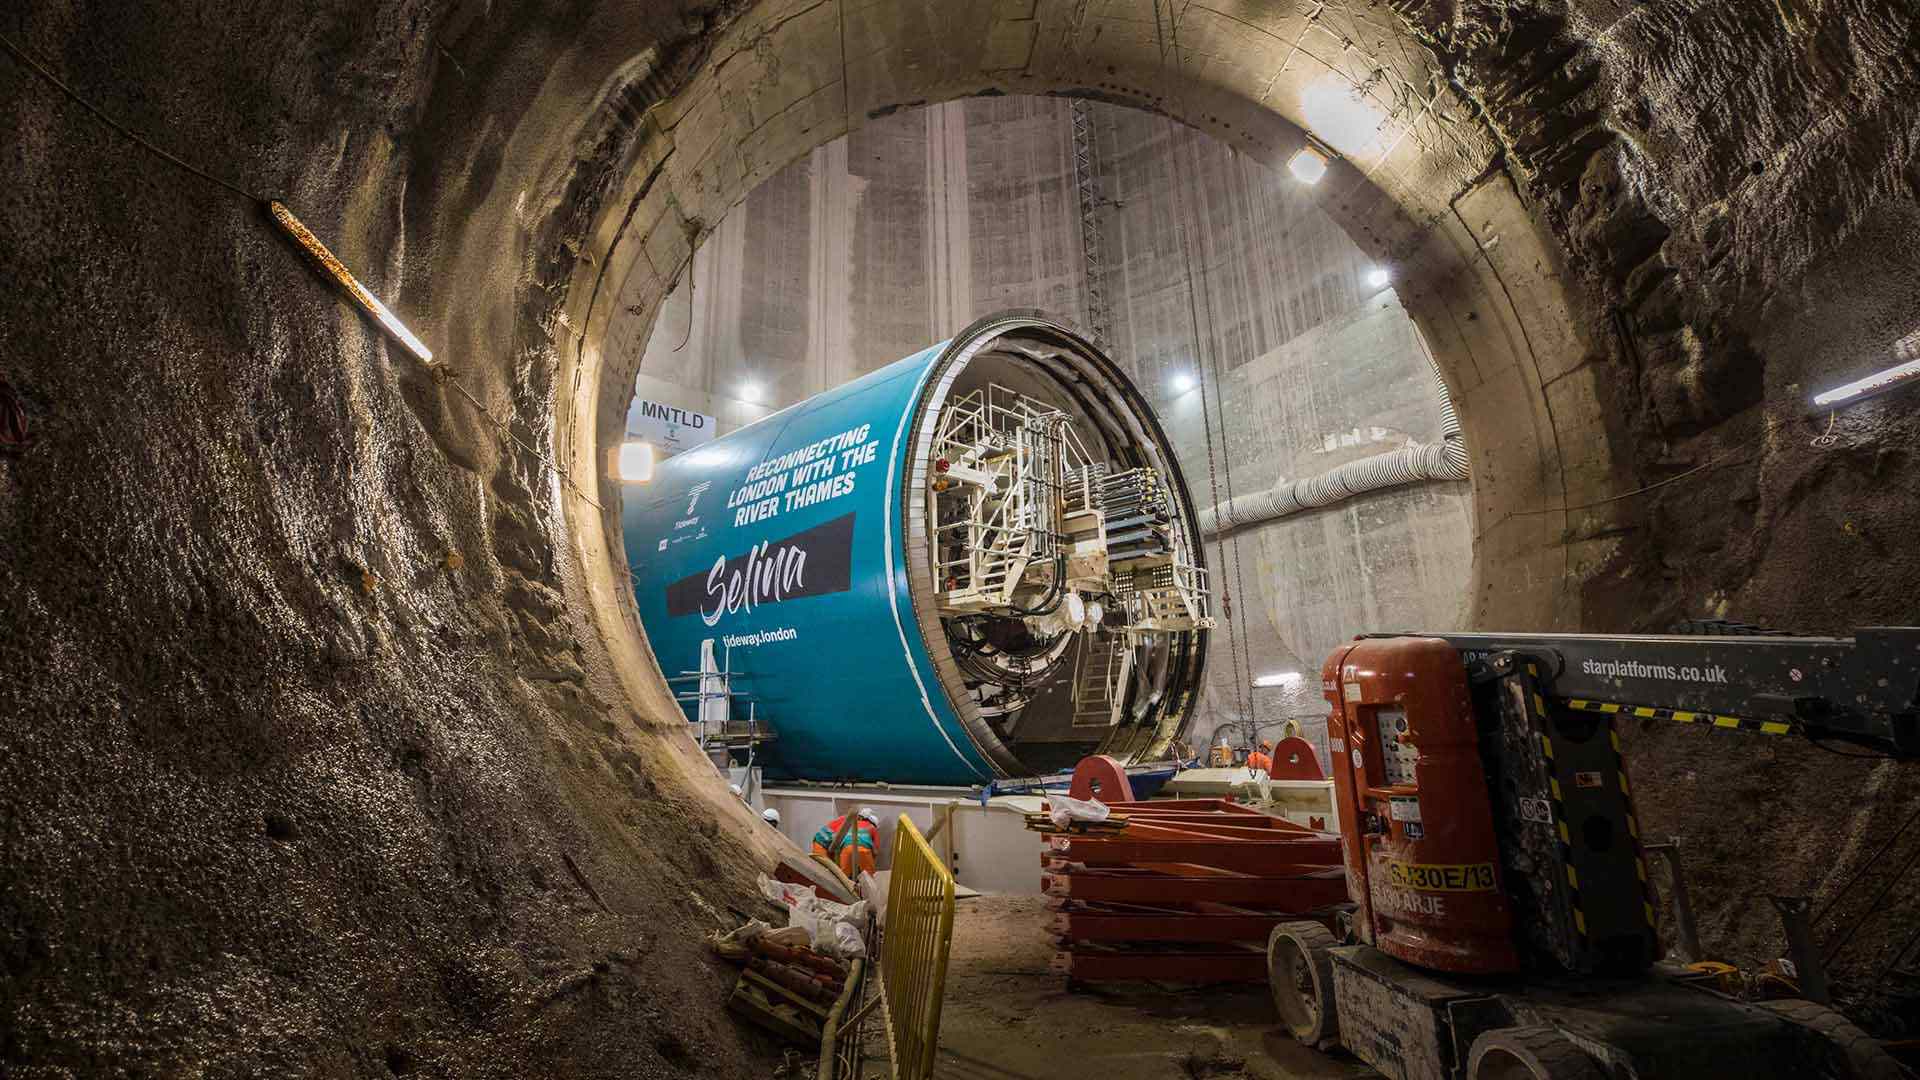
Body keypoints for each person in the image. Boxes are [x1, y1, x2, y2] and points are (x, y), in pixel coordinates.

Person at [811, 807, 881, 877]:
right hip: (821, 845)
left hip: (834, 846)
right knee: (826, 873)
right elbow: (875, 851)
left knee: (843, 877)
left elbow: (839, 843)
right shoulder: (848, 822)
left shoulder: (850, 822)